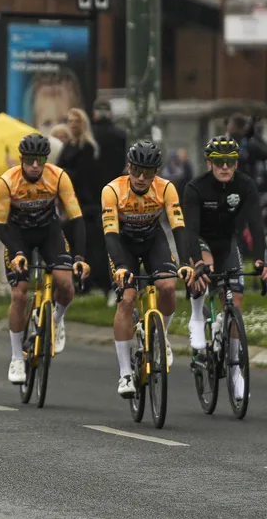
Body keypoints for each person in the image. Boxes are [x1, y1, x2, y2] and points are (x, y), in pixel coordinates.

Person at [0, 133, 90, 383]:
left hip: (49, 233)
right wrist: (18, 252)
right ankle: (16, 358)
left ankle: (56, 320)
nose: (35, 165)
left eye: (40, 160)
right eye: (30, 160)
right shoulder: (7, 181)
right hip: (17, 235)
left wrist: (79, 256)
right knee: (19, 293)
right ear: (22, 159)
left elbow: (76, 217)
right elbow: (0, 225)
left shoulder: (58, 177)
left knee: (65, 283)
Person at [102, 141, 193, 397]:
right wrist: (120, 266)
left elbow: (178, 227)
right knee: (127, 299)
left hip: (154, 241)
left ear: (156, 171)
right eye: (138, 170)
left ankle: (160, 335)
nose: (142, 177)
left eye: (149, 172)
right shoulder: (112, 190)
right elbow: (110, 233)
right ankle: (125, 374)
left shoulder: (166, 188)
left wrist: (185, 262)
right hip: (124, 245)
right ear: (129, 167)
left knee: (167, 285)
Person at [182, 135, 267, 402]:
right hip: (200, 240)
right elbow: (190, 230)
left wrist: (261, 259)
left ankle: (234, 370)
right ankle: (197, 320)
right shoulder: (196, 188)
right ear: (210, 163)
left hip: (227, 243)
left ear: (236, 163)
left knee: (236, 299)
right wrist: (196, 262)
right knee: (204, 271)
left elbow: (256, 225)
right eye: (219, 162)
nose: (225, 167)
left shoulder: (245, 185)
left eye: (230, 161)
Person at [59, 107, 112, 297]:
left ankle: (103, 284)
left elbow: (84, 176)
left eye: (76, 121)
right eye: (70, 121)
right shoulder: (68, 146)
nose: (73, 125)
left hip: (86, 203)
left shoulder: (87, 147)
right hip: (69, 201)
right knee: (73, 245)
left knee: (91, 246)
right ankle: (82, 281)